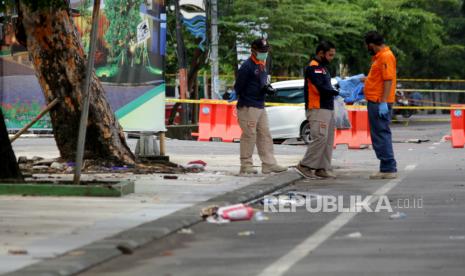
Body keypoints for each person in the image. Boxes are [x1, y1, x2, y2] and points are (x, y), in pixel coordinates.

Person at [234, 38, 287, 175]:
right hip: (249, 106)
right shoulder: (247, 66)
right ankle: (246, 165)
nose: (264, 53)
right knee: (249, 135)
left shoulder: (262, 65)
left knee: (265, 134)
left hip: (260, 105)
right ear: (253, 50)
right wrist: (243, 97)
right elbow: (238, 87)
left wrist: (267, 89)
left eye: (266, 51)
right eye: (262, 51)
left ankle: (269, 164)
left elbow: (260, 83)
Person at [295, 41, 344, 179]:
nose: (331, 58)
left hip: (327, 108)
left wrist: (337, 91)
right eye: (330, 55)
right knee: (320, 138)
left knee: (328, 140)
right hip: (317, 108)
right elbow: (321, 88)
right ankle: (304, 166)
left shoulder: (323, 68)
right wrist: (336, 92)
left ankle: (322, 168)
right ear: (321, 53)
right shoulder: (314, 68)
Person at [363, 31, 398, 179]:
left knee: (381, 134)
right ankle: (386, 167)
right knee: (379, 134)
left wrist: (383, 101)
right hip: (376, 100)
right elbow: (378, 79)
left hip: (379, 102)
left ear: (371, 45)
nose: (366, 48)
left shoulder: (385, 56)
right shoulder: (379, 57)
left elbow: (388, 80)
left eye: (367, 46)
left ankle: (388, 168)